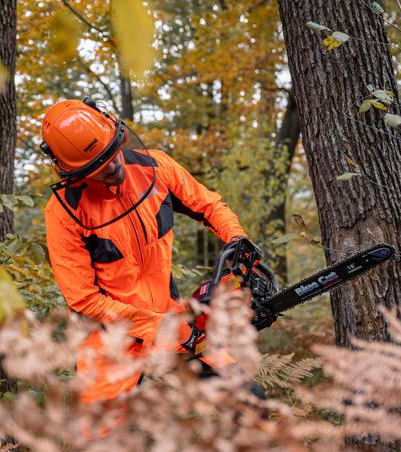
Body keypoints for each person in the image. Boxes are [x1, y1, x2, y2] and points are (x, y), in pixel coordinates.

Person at [42, 97, 258, 403]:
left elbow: (209, 205)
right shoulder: (65, 212)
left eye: (111, 153)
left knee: (246, 398)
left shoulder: (155, 168)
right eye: (98, 166)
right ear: (73, 171)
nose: (113, 165)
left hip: (170, 316)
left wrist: (236, 239)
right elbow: (83, 299)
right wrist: (160, 327)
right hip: (108, 338)